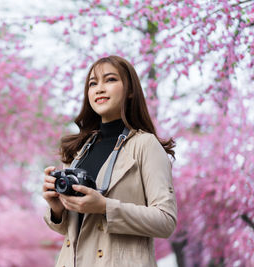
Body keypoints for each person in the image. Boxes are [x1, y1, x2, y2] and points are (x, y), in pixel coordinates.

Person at [42, 55, 177, 267]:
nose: (99, 88)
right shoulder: (79, 151)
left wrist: (105, 207)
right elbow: (73, 230)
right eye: (93, 83)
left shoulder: (145, 145)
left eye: (110, 80)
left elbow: (166, 221)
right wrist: (56, 208)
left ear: (130, 90)